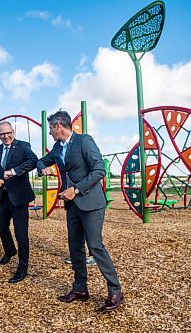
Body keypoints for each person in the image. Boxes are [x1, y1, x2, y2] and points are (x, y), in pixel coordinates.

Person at [37, 110, 123, 313]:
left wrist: (75, 190)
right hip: (73, 206)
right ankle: (80, 289)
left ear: (59, 126)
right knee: (75, 247)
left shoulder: (84, 141)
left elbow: (99, 170)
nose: (50, 133)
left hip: (91, 203)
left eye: (51, 128)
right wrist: (44, 169)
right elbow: (42, 161)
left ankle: (115, 289)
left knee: (95, 247)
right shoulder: (58, 147)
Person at [0, 121, 38, 283]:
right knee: (1, 225)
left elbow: (33, 161)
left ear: (13, 131)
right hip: (4, 195)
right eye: (2, 134)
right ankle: (10, 251)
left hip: (19, 197)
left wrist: (14, 171)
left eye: (8, 132)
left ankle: (22, 268)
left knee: (21, 234)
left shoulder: (23, 146)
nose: (6, 136)